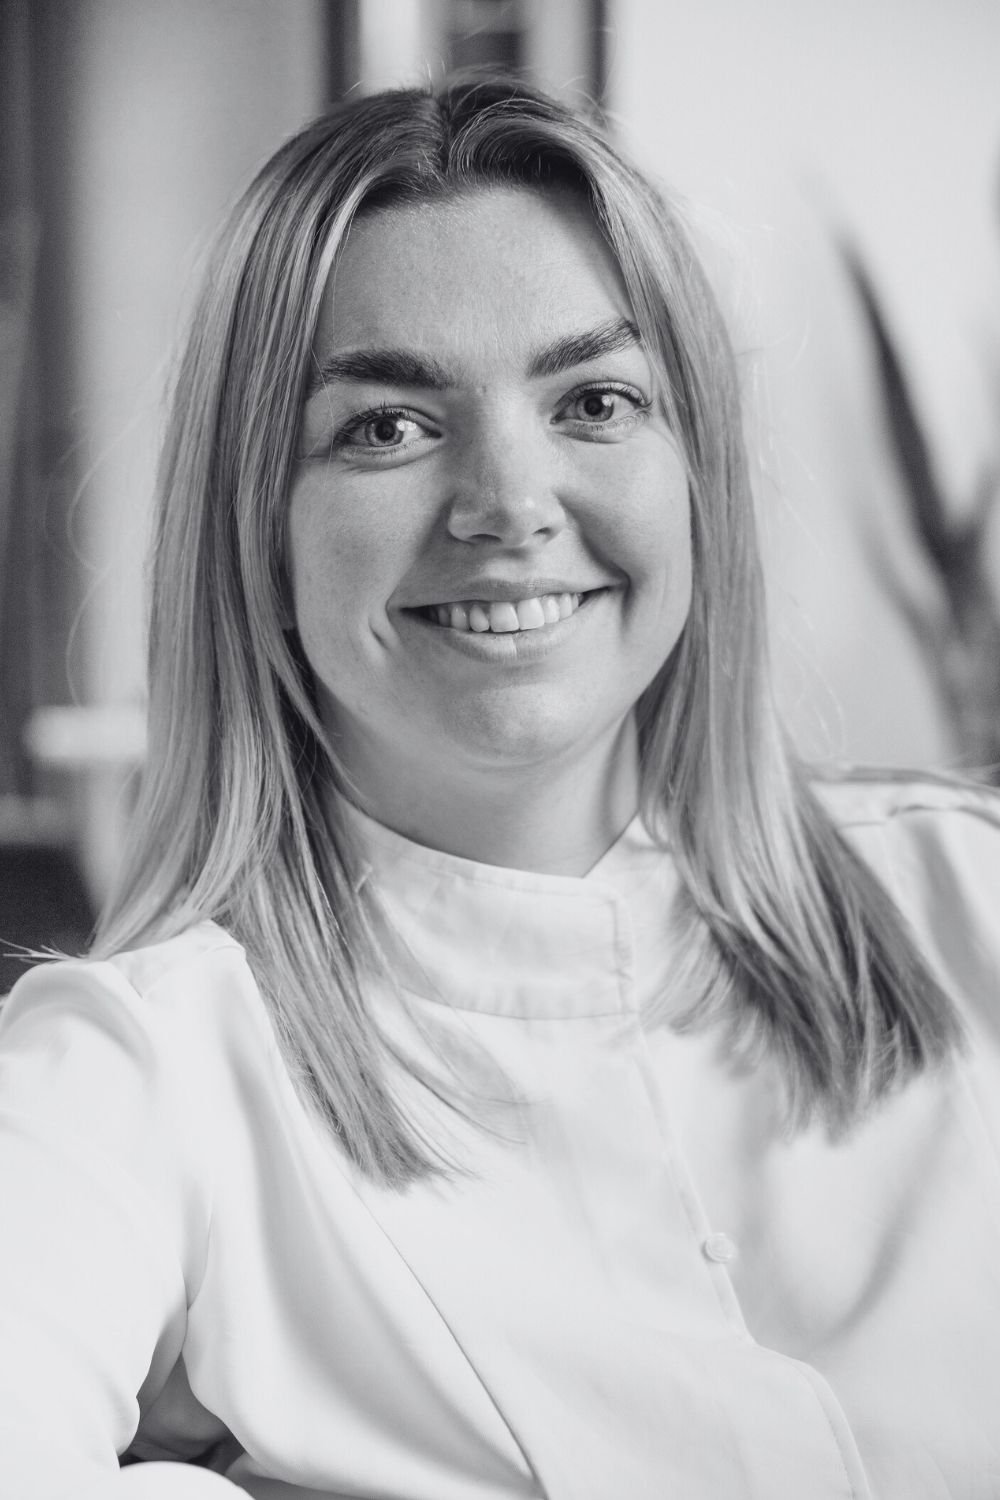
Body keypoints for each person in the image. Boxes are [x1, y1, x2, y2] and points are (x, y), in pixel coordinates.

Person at [1, 72, 998, 1500]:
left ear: (696, 470)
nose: (509, 503)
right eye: (387, 427)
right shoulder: (140, 1069)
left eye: (595, 399)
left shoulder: (973, 898)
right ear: (256, 531)